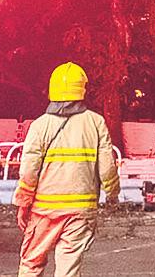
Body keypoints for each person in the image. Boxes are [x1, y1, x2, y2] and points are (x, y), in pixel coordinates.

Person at [13, 62, 120, 277]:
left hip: (44, 211)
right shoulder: (96, 123)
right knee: (68, 269)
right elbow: (108, 167)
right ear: (82, 90)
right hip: (81, 211)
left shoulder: (39, 126)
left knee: (31, 263)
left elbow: (28, 171)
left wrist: (23, 203)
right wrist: (112, 193)